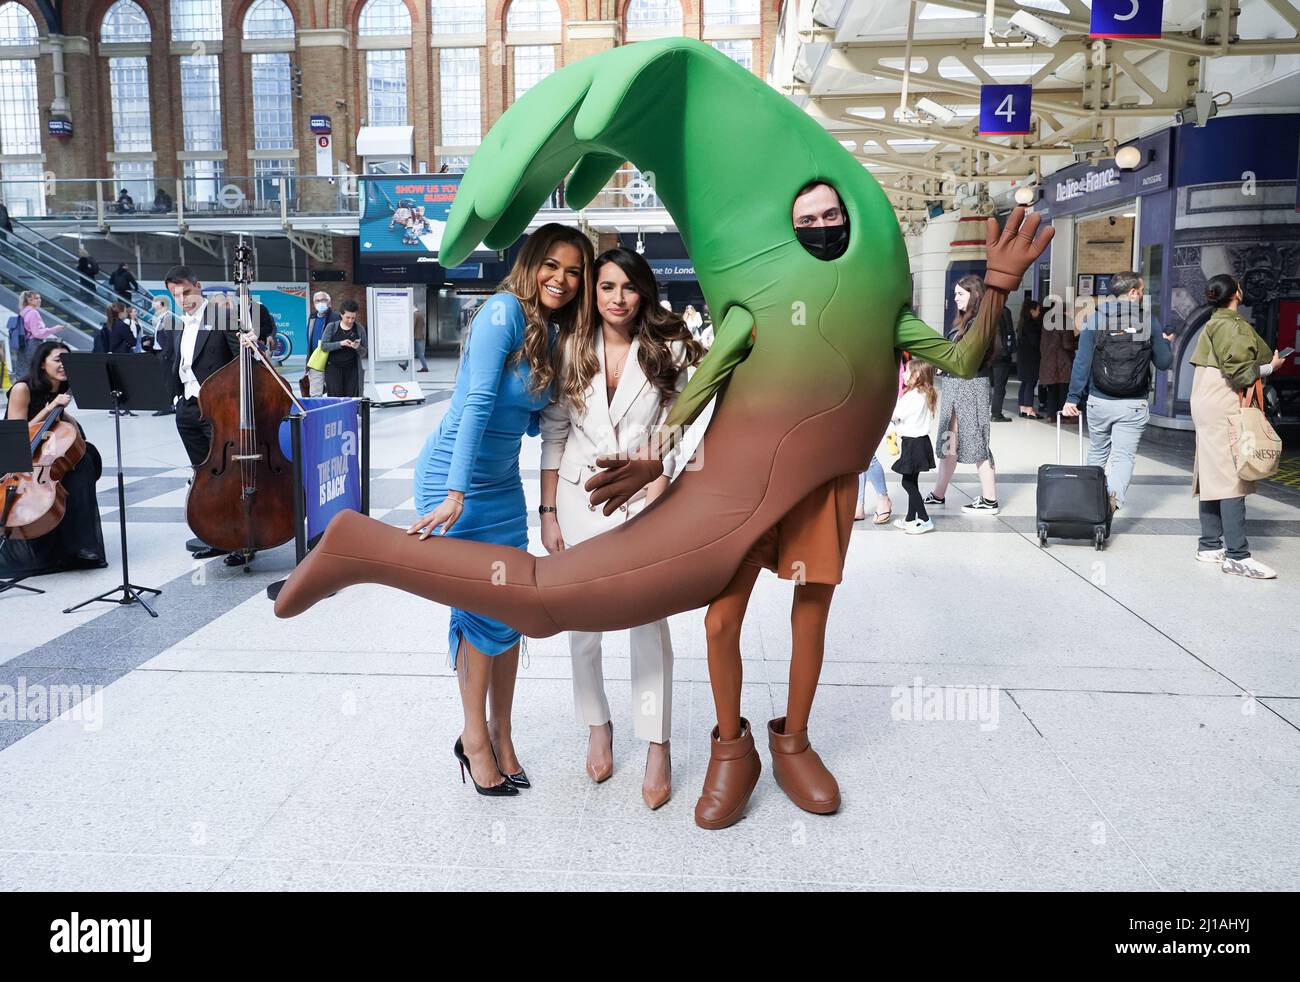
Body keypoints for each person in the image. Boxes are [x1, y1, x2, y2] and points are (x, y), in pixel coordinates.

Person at [408, 222, 595, 796]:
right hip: (452, 477)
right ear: (532, 261)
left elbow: (543, 422)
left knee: (510, 608)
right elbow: (478, 405)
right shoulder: (502, 313)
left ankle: (502, 733)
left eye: (574, 272)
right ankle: (474, 739)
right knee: (477, 609)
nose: (561, 280)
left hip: (501, 484)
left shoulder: (557, 333)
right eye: (552, 266)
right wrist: (456, 493)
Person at [539, 246, 703, 811]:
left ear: (643, 292)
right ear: (594, 292)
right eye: (606, 287)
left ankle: (657, 743)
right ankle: (597, 724)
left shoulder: (668, 347)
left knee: (646, 622)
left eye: (627, 287)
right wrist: (548, 511)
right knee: (581, 622)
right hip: (579, 498)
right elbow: (555, 431)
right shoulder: (571, 347)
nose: (616, 298)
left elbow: (680, 426)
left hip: (643, 497)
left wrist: (660, 489)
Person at [1190, 273, 1284, 579]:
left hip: (1206, 399)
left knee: (1211, 469)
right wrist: (1273, 366)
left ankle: (1209, 545)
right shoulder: (1231, 325)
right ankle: (1237, 555)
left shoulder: (1213, 322)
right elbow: (1242, 373)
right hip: (1223, 402)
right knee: (1232, 475)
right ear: (1238, 294)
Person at [1062, 272, 1174, 514]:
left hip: (1099, 400)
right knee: (1123, 457)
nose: (1143, 295)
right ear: (1132, 292)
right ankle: (1111, 504)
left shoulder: (1094, 318)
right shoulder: (1148, 321)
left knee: (1098, 452)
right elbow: (1164, 363)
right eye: (1141, 291)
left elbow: (1082, 361)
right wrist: (1164, 342)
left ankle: (1089, 503)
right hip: (1133, 404)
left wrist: (1072, 398)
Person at [161, 265, 247, 564]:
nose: (182, 299)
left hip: (217, 408)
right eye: (175, 295)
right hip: (186, 407)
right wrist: (174, 397)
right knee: (203, 475)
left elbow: (242, 364)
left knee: (228, 476)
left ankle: (241, 541)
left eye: (186, 292)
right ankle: (216, 536)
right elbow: (178, 362)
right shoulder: (176, 324)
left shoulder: (223, 318)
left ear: (198, 286)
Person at [0, 340, 107, 577]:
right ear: (41, 364)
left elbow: (74, 434)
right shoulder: (22, 388)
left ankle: (82, 545)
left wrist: (63, 412)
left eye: (67, 361)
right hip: (19, 459)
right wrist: (49, 409)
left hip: (44, 458)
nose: (63, 366)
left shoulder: (59, 390)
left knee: (85, 456)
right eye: (58, 360)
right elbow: (18, 436)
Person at [925, 275, 1001, 515]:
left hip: (970, 386)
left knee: (977, 441)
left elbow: (967, 357)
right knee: (950, 442)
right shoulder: (965, 321)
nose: (955, 298)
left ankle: (990, 500)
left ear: (975, 294)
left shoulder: (978, 323)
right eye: (956, 293)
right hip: (956, 386)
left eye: (961, 293)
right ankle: (939, 493)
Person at [891, 360, 939, 533]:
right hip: (921, 442)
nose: (904, 375)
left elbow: (895, 415)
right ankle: (910, 519)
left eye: (907, 371)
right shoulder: (925, 393)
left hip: (912, 443)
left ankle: (925, 519)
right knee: (912, 480)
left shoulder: (911, 396)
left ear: (916, 375)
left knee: (907, 483)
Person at [1039, 299, 1079, 422]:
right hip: (1062, 362)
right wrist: (1076, 342)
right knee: (1064, 389)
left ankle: (1051, 415)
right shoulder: (1065, 321)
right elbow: (1067, 344)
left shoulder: (1047, 322)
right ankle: (1065, 416)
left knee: (1052, 390)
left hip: (1048, 361)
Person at [322, 300, 367, 398]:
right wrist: (340, 344)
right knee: (336, 400)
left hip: (353, 371)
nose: (350, 321)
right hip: (333, 370)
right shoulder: (332, 327)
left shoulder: (359, 329)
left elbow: (364, 352)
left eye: (353, 318)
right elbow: (324, 346)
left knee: (352, 400)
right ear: (341, 315)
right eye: (348, 317)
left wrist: (357, 347)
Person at [305, 291, 340, 396]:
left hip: (332, 360)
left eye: (323, 300)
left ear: (329, 303)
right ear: (314, 303)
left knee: (334, 391)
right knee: (315, 393)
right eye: (317, 301)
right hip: (316, 360)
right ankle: (316, 412)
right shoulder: (312, 318)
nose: (320, 303)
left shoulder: (336, 317)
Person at [1016, 298, 1043, 418]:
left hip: (1023, 358)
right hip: (1031, 359)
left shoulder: (1022, 323)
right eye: (1038, 310)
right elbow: (1035, 342)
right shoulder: (1031, 324)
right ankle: (1029, 409)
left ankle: (1022, 408)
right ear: (1031, 311)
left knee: (1024, 383)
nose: (1039, 312)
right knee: (1030, 383)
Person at [989, 302, 1016, 421]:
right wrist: (1010, 350)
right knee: (1000, 386)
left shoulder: (985, 310)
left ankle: (983, 412)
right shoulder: (1004, 311)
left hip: (988, 354)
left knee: (987, 384)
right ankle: (996, 414)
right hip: (1001, 355)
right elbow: (1009, 333)